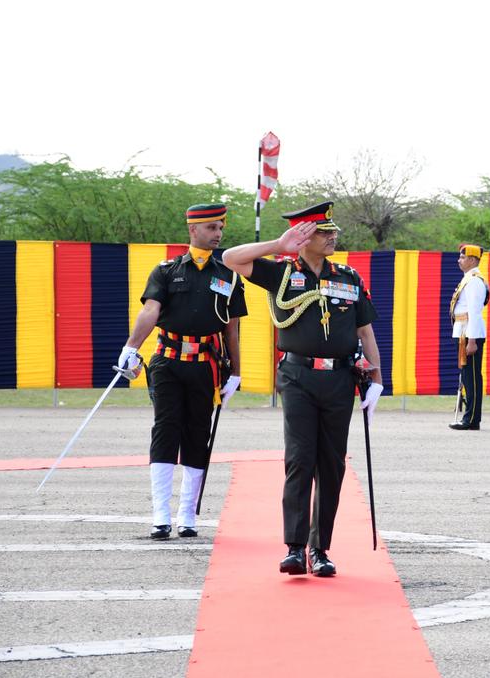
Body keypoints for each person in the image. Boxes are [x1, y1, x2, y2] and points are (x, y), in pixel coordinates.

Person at [222, 201, 383, 577]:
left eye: (332, 232)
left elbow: (365, 332)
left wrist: (376, 380)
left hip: (341, 379)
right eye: (324, 232)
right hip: (298, 377)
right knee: (299, 459)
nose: (332, 238)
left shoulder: (348, 277)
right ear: (305, 236)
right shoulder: (281, 273)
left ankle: (320, 548)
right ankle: (294, 547)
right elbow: (230, 258)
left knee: (331, 465)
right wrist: (278, 246)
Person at [118, 203, 246, 540]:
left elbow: (231, 329)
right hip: (167, 362)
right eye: (211, 228)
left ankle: (187, 514)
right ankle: (161, 514)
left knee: (197, 432)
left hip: (205, 365)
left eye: (220, 228)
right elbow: (150, 310)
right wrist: (131, 347)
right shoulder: (166, 271)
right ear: (193, 230)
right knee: (166, 428)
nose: (218, 235)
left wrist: (236, 371)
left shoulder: (228, 276)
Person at [449, 243, 489, 431]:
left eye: (463, 257)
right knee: (467, 377)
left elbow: (474, 311)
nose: (459, 260)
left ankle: (472, 419)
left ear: (472, 260)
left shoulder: (474, 280)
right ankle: (470, 417)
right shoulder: (468, 279)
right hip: (463, 331)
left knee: (472, 378)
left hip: (469, 334)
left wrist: (472, 340)